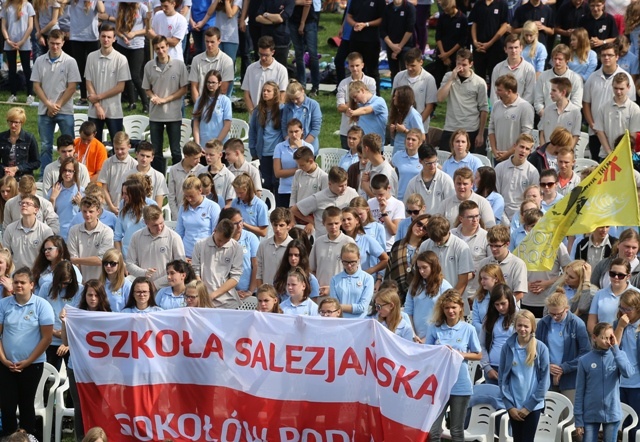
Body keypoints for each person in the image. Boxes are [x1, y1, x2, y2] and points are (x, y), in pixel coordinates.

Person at [0, 268, 53, 440]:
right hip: (6, 364)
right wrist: (4, 360)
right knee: (7, 406)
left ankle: (28, 437)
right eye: (16, 282)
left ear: (32, 284)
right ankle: (9, 438)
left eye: (23, 282)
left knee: (26, 404)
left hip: (33, 364)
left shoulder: (42, 305)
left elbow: (46, 338)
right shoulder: (4, 304)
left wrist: (29, 361)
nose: (19, 285)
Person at [427, 290, 482, 441]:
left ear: (460, 308)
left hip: (460, 384)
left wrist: (460, 354)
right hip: (439, 384)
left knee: (456, 431)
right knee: (433, 430)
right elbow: (427, 353)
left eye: (454, 307)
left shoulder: (468, 329)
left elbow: (478, 354)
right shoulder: (434, 328)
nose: (450, 311)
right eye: (447, 308)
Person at [59, 281, 109, 441]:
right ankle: (82, 438)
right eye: (90, 295)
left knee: (101, 407)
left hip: (101, 371)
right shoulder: (76, 315)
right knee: (79, 408)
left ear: (102, 296)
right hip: (77, 369)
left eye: (96, 295)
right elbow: (66, 342)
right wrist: (64, 323)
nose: (93, 298)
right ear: (84, 296)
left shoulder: (110, 316)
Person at [31, 30, 80, 173]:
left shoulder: (70, 61)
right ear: (47, 42)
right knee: (46, 145)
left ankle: (71, 171)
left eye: (58, 43)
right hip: (44, 110)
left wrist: (57, 105)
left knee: (69, 145)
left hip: (65, 110)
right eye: (52, 43)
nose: (55, 46)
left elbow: (72, 87)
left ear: (63, 43)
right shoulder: (40, 61)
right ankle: (44, 174)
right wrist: (48, 104)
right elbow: (36, 86)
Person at [575, 322, 632, 442]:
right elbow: (579, 391)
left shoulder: (618, 356)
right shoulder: (584, 360)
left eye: (610, 337)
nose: (607, 341)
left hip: (612, 413)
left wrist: (616, 349)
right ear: (594, 337)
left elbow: (628, 373)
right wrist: (578, 418)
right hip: (590, 414)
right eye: (604, 338)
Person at [499, 310, 550, 442]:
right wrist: (510, 406)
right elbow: (502, 379)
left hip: (532, 406)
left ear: (533, 327)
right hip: (514, 405)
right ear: (515, 326)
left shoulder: (541, 348)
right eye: (519, 325)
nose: (522, 329)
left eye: (526, 326)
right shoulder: (507, 347)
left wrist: (529, 406)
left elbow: (544, 380)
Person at [142, 35, 188, 174]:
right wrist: (153, 97)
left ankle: (178, 177)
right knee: (156, 149)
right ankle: (158, 179)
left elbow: (184, 89)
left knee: (175, 150)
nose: (161, 51)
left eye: (163, 47)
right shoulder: (149, 66)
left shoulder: (179, 65)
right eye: (157, 48)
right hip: (156, 115)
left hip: (173, 114)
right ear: (154, 49)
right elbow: (146, 88)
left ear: (168, 47)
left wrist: (165, 99)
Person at [583, 43, 635, 161]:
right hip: (596, 133)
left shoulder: (626, 78)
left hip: (618, 133)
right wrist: (593, 125)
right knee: (598, 166)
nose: (606, 58)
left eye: (610, 55)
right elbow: (586, 103)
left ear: (617, 57)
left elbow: (631, 106)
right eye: (603, 55)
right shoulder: (592, 77)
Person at [537, 290, 591, 402]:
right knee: (550, 415)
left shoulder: (577, 323)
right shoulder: (543, 323)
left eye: (559, 314)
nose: (555, 317)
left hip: (571, 379)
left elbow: (586, 352)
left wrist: (564, 368)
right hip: (548, 377)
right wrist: (547, 365)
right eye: (551, 313)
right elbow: (536, 350)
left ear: (567, 309)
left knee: (569, 415)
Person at [437, 49, 489, 153]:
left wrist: (480, 133)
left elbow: (484, 108)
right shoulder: (448, 76)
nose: (461, 67)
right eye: (458, 64)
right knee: (445, 158)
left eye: (464, 64)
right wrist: (451, 79)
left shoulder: (479, 82)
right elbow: (440, 98)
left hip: (470, 128)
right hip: (451, 126)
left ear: (471, 64)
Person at [85, 23, 130, 143]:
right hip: (94, 111)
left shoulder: (121, 59)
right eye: (103, 36)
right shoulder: (91, 57)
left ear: (114, 39)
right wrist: (98, 106)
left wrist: (98, 97)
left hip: (114, 111)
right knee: (94, 147)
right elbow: (88, 82)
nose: (106, 39)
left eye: (109, 37)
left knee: (118, 146)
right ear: (99, 37)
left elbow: (120, 87)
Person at [37, 260, 82, 370]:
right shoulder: (46, 288)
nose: (62, 286)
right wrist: (53, 332)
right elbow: (39, 314)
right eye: (60, 282)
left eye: (66, 283)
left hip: (71, 340)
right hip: (50, 340)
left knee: (73, 377)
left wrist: (64, 335)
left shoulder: (80, 290)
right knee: (49, 378)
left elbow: (80, 317)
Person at [126, 204, 185, 287]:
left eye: (161, 223)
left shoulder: (174, 237)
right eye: (155, 225)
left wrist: (156, 285)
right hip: (144, 289)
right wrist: (144, 273)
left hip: (166, 289)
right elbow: (129, 263)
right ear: (146, 223)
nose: (159, 227)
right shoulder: (136, 237)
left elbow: (180, 267)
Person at [292, 166, 358, 237]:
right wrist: (313, 221)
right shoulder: (318, 198)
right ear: (330, 184)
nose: (344, 188)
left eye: (345, 184)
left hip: (344, 239)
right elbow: (294, 210)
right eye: (340, 186)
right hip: (323, 238)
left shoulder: (352, 193)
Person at [192, 219, 243, 308]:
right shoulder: (200, 245)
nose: (221, 244)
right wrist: (203, 294)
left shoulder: (237, 248)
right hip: (204, 301)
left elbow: (235, 278)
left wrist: (213, 295)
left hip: (228, 302)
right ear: (214, 230)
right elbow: (196, 271)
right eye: (219, 240)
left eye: (225, 241)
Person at [405, 251, 453, 341]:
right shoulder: (414, 285)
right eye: (419, 268)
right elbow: (408, 311)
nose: (421, 271)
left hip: (438, 337)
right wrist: (413, 334)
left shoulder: (445, 286)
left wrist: (427, 338)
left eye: (424, 267)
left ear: (433, 267)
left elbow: (448, 315)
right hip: (416, 337)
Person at [488, 74, 534, 163]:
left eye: (499, 90)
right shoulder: (496, 105)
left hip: (516, 158)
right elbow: (491, 128)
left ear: (509, 92)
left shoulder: (525, 107)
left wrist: (508, 153)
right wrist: (494, 150)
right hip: (497, 156)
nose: (496, 92)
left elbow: (526, 136)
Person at [310, 206, 356, 295]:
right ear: (323, 223)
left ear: (341, 222)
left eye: (336, 223)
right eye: (330, 224)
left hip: (342, 294)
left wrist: (333, 288)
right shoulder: (318, 242)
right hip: (321, 293)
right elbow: (312, 269)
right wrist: (316, 287)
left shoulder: (348, 242)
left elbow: (354, 272)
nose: (333, 227)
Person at [68, 195, 115, 282]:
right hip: (79, 282)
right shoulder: (74, 230)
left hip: (100, 282)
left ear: (98, 211)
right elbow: (73, 259)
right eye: (84, 211)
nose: (87, 215)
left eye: (91, 211)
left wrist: (77, 260)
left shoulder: (107, 231)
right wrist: (80, 281)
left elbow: (101, 260)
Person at [248, 81, 284, 194]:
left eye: (268, 91)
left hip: (277, 153)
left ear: (275, 93)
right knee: (266, 183)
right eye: (264, 90)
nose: (265, 93)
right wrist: (253, 150)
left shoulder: (282, 110)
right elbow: (252, 131)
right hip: (263, 153)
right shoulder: (258, 111)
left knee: (277, 182)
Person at [595, 73, 640, 160]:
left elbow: (633, 135)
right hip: (606, 156)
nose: (618, 92)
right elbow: (600, 131)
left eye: (621, 89)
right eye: (615, 88)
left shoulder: (635, 109)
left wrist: (621, 152)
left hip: (626, 156)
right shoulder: (603, 107)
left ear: (628, 88)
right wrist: (609, 152)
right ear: (612, 86)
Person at [495, 134, 540, 221]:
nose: (523, 151)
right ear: (515, 146)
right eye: (521, 147)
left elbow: (533, 201)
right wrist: (505, 221)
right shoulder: (499, 168)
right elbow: (496, 197)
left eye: (527, 149)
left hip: (523, 217)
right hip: (500, 214)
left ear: (530, 151)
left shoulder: (533, 172)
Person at [115, 1, 150, 112]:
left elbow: (147, 29)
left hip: (137, 46)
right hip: (122, 45)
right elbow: (117, 29)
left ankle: (145, 103)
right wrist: (123, 37)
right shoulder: (121, 7)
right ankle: (132, 102)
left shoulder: (142, 8)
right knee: (125, 75)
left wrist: (134, 33)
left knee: (135, 75)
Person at [336, 53, 376, 149]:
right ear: (348, 66)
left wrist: (349, 106)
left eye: (357, 65)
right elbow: (340, 107)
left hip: (365, 129)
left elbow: (371, 104)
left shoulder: (370, 82)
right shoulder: (343, 83)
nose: (355, 69)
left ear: (362, 65)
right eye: (352, 66)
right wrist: (356, 103)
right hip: (347, 129)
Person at [589, 258, 639, 332]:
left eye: (620, 275)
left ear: (628, 276)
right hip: (603, 340)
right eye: (612, 274)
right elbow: (591, 323)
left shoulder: (637, 294)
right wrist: (601, 339)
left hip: (629, 340)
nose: (616, 277)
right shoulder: (599, 294)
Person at [4, 195, 54, 269]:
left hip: (38, 274)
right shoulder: (10, 229)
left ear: (36, 210)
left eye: (28, 204)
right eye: (22, 203)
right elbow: (6, 254)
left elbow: (51, 255)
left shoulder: (46, 230)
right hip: (16, 275)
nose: (24, 205)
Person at [385, 214, 430, 296]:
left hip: (417, 292)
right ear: (414, 223)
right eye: (419, 224)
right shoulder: (397, 245)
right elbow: (389, 269)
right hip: (395, 292)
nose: (420, 228)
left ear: (427, 233)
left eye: (425, 228)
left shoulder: (426, 248)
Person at [241, 36, 288, 114]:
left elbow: (282, 96)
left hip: (273, 115)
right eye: (261, 54)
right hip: (255, 114)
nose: (263, 58)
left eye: (266, 55)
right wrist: (253, 113)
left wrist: (273, 114)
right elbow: (246, 94)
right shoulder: (251, 68)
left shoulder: (281, 70)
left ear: (273, 52)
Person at [175, 176, 219, 259]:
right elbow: (179, 232)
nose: (189, 199)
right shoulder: (183, 207)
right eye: (186, 196)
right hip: (186, 253)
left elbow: (215, 232)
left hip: (205, 254)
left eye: (192, 196)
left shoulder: (213, 207)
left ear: (200, 190)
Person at [481, 284, 517, 383]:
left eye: (503, 303)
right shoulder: (489, 319)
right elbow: (481, 345)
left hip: (514, 367)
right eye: (497, 304)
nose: (500, 308)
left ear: (510, 301)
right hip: (493, 368)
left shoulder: (519, 318)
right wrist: (487, 367)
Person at [273, 119, 314, 208]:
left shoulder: (308, 147)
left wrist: (300, 148)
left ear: (302, 131)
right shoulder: (279, 147)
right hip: (285, 189)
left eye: (296, 131)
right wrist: (298, 169)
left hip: (303, 189)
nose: (294, 135)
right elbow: (277, 173)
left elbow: (308, 169)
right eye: (291, 132)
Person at [341, 207, 388, 282]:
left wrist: (369, 271)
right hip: (342, 282)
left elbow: (385, 259)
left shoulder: (366, 239)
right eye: (343, 220)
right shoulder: (339, 241)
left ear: (356, 220)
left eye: (349, 219)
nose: (346, 222)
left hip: (362, 282)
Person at [346, 0, 384, 93]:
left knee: (372, 70)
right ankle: (355, 95)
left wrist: (366, 24)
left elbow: (382, 19)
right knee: (356, 69)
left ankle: (375, 97)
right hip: (356, 38)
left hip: (371, 40)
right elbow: (349, 16)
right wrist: (354, 24)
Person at [2, 0, 36, 104]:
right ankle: (13, 94)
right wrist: (7, 39)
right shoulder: (6, 6)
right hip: (10, 42)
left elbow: (30, 26)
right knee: (11, 69)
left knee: (27, 69)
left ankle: (29, 94)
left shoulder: (28, 6)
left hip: (24, 41)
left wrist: (22, 41)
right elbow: (3, 25)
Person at [404, 144, 455, 212]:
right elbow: (407, 207)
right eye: (428, 163)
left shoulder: (445, 179)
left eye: (435, 162)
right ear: (420, 161)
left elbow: (451, 206)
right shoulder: (413, 183)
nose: (433, 166)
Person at [427, 0, 467, 86]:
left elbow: (462, 40)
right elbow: (438, 36)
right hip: (442, 52)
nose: (445, 12)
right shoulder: (442, 17)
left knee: (458, 79)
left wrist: (447, 54)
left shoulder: (462, 18)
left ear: (453, 7)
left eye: (447, 10)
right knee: (437, 78)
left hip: (455, 53)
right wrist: (443, 54)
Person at [188, 27, 235, 101]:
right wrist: (198, 106)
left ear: (219, 41)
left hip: (218, 104)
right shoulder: (196, 60)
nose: (209, 45)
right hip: (200, 103)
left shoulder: (227, 61)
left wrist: (211, 107)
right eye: (207, 41)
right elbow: (194, 86)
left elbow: (223, 89)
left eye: (212, 42)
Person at [330, 243, 374, 318]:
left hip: (360, 322)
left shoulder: (368, 279)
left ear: (359, 258)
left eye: (352, 262)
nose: (349, 266)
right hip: (341, 322)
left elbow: (362, 307)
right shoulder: (334, 279)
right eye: (345, 262)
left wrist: (339, 307)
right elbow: (334, 307)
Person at [489, 34, 536, 106]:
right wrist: (499, 108)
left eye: (516, 47)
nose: (513, 51)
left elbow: (530, 94)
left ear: (521, 48)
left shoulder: (529, 69)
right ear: (505, 49)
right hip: (501, 109)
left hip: (521, 110)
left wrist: (517, 109)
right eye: (510, 48)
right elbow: (494, 93)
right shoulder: (498, 68)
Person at [97, 132, 137, 214]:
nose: (119, 152)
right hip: (109, 207)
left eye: (122, 149)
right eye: (116, 149)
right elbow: (104, 187)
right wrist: (111, 206)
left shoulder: (134, 165)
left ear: (129, 147)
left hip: (129, 209)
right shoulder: (107, 163)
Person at [281, 81, 322, 155]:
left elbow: (315, 129)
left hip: (309, 147)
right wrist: (289, 143)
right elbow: (284, 126)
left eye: (297, 98)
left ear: (303, 91)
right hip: (290, 148)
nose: (295, 101)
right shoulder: (287, 106)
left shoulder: (313, 105)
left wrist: (303, 146)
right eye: (292, 99)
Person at [192, 69, 232, 146]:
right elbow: (196, 123)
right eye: (208, 82)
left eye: (213, 82)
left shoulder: (225, 100)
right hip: (203, 145)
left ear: (219, 83)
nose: (210, 85)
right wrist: (197, 144)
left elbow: (227, 125)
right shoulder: (200, 100)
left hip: (219, 145)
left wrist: (216, 143)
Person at [114, 178, 152, 258]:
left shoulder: (148, 211)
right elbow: (117, 237)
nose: (123, 197)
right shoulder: (123, 212)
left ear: (135, 194)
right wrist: (120, 258)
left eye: (126, 194)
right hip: (127, 256)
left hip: (146, 256)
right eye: (122, 193)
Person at [47, 157, 83, 240]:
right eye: (65, 170)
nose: (67, 173)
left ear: (75, 172)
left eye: (70, 171)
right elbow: (48, 215)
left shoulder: (81, 191)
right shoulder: (53, 190)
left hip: (76, 235)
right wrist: (52, 198)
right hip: (58, 234)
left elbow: (87, 215)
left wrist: (81, 204)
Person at [256, 207, 293, 286]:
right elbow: (259, 272)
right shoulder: (263, 245)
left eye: (281, 225)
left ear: (288, 226)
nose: (277, 229)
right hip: (267, 293)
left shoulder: (293, 246)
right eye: (275, 225)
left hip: (286, 294)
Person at [0, 108, 40, 179]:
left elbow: (36, 163)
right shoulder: (1, 137)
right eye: (10, 121)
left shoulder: (29, 138)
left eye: (16, 122)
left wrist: (17, 168)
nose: (13, 125)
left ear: (22, 122)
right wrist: (5, 169)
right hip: (5, 177)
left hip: (24, 178)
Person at [380, 0, 416, 79]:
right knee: (394, 73)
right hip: (391, 46)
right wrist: (391, 45)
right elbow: (382, 30)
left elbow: (410, 29)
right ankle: (395, 91)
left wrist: (399, 47)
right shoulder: (387, 8)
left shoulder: (409, 8)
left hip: (406, 46)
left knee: (406, 72)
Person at [388, 86, 423, 156]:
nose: (394, 98)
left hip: (408, 155)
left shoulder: (414, 115)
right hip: (397, 153)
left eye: (396, 96)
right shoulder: (399, 112)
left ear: (403, 99)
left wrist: (404, 131)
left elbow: (422, 137)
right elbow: (398, 137)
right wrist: (393, 131)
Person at [472, 264, 506, 336]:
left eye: (485, 278)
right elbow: (475, 322)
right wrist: (488, 330)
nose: (482, 281)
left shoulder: (508, 297)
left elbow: (512, 319)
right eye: (481, 278)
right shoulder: (478, 298)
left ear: (496, 279)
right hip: (483, 337)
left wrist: (496, 331)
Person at [203, 139, 236, 207]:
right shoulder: (200, 172)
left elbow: (229, 202)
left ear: (220, 155)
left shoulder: (229, 177)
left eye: (211, 155)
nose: (207, 157)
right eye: (206, 154)